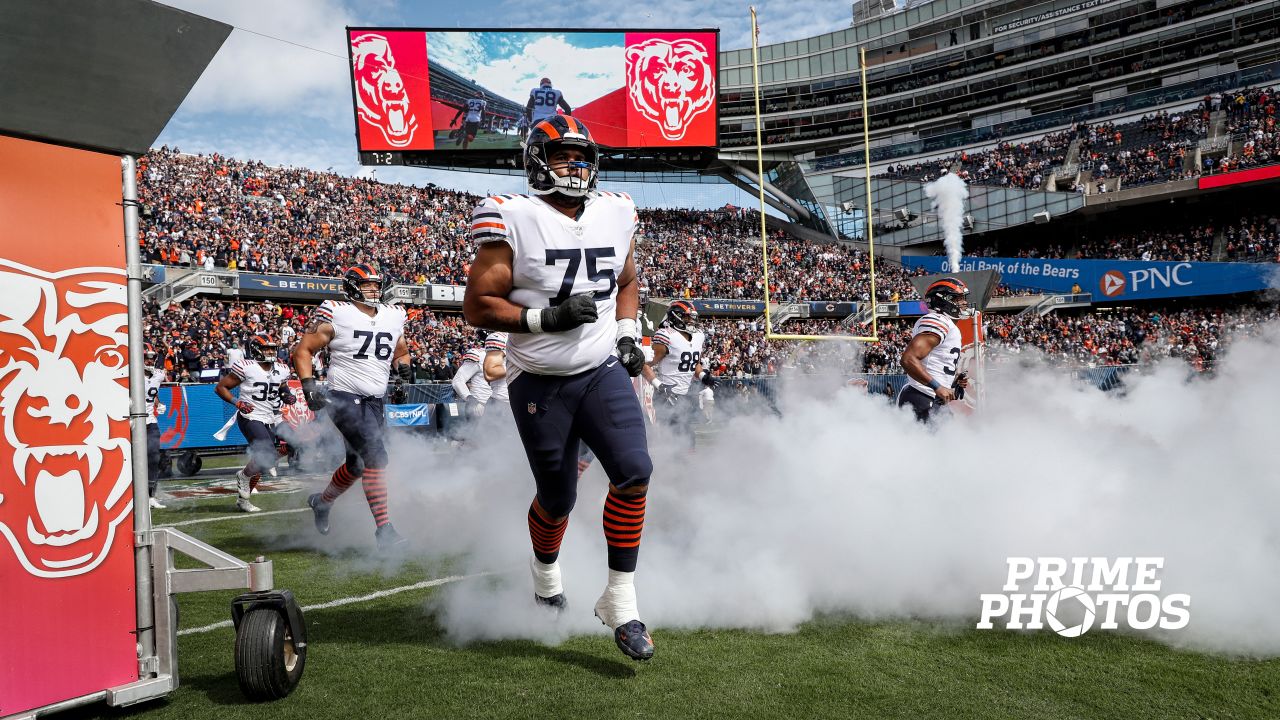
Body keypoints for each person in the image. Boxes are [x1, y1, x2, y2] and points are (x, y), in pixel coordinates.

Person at [462, 114, 655, 661]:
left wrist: (625, 333)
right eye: (564, 155)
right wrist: (545, 319)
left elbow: (628, 280)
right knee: (558, 497)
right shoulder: (510, 216)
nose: (577, 165)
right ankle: (545, 574)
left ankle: (621, 600)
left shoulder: (617, 211)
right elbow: (478, 306)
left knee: (634, 469)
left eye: (582, 155)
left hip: (598, 369)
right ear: (536, 160)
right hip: (540, 379)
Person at [293, 263, 414, 549]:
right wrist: (309, 386)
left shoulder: (394, 314)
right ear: (351, 287)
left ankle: (322, 502)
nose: (374, 289)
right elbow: (303, 350)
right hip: (344, 396)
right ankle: (384, 531)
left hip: (375, 400)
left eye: (376, 283)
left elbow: (401, 350)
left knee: (357, 464)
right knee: (375, 456)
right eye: (366, 284)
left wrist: (403, 374)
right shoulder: (337, 311)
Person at [215, 332, 294, 512]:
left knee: (295, 444)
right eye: (267, 348)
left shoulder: (281, 368)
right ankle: (244, 476)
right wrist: (238, 403)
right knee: (265, 454)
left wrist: (287, 395)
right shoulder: (246, 366)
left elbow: (282, 387)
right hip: (251, 416)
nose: (271, 352)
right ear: (257, 349)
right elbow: (220, 387)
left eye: (273, 348)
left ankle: (245, 498)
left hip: (274, 416)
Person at [898, 277, 971, 423]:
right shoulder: (938, 320)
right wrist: (937, 386)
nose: (964, 303)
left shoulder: (947, 324)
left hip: (931, 398)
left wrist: (951, 382)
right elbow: (908, 359)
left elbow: (933, 364)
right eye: (958, 299)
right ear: (944, 300)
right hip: (921, 397)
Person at [645, 300, 706, 445]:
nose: (691, 321)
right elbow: (645, 365)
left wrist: (704, 375)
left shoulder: (698, 336)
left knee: (688, 438)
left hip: (685, 395)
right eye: (687, 317)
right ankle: (670, 465)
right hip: (667, 395)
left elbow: (694, 362)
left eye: (692, 317)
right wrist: (660, 386)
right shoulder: (666, 335)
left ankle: (684, 466)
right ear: (675, 317)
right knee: (674, 438)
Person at [143, 343, 168, 510]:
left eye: (152, 358)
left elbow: (152, 390)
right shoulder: (128, 375)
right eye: (147, 357)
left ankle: (151, 495)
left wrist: (158, 402)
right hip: (131, 422)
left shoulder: (157, 375)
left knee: (154, 458)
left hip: (150, 421)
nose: (150, 361)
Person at [451, 333, 493, 421]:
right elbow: (458, 380)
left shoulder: (509, 356)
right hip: (480, 405)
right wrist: (471, 399)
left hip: (498, 405)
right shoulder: (479, 355)